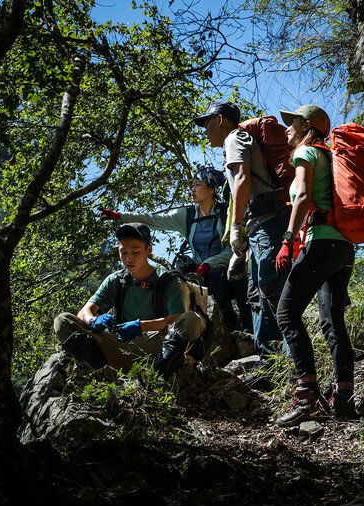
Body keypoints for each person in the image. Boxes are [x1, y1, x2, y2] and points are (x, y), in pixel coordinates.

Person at [273, 105, 357, 426]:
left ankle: (306, 395)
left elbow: (304, 196)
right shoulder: (332, 156)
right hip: (344, 248)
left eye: (291, 123)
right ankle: (344, 401)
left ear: (306, 125)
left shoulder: (306, 152)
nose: (286, 129)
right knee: (333, 322)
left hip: (320, 242)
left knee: (286, 314)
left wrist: (288, 239)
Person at [98, 167, 252, 332]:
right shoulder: (187, 216)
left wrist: (209, 264)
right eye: (192, 185)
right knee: (178, 272)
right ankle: (178, 324)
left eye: (197, 185)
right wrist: (120, 216)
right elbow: (153, 219)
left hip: (223, 271)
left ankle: (231, 326)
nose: (192, 189)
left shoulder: (225, 213)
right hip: (199, 271)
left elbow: (234, 249)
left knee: (217, 274)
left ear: (211, 189)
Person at [192, 101, 289, 358]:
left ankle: (293, 360)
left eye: (207, 122)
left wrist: (235, 226)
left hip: (268, 224)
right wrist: (241, 244)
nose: (204, 129)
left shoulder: (234, 137)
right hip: (260, 227)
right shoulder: (234, 142)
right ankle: (269, 362)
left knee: (271, 288)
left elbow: (243, 178)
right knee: (257, 293)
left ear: (221, 120)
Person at [52, 223, 206, 378]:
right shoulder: (116, 280)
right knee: (62, 321)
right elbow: (84, 312)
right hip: (117, 344)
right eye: (123, 252)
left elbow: (176, 318)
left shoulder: (166, 281)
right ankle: (103, 373)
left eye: (135, 251)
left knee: (192, 319)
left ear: (149, 250)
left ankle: (157, 375)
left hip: (155, 346)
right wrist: (93, 321)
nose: (129, 258)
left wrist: (141, 326)